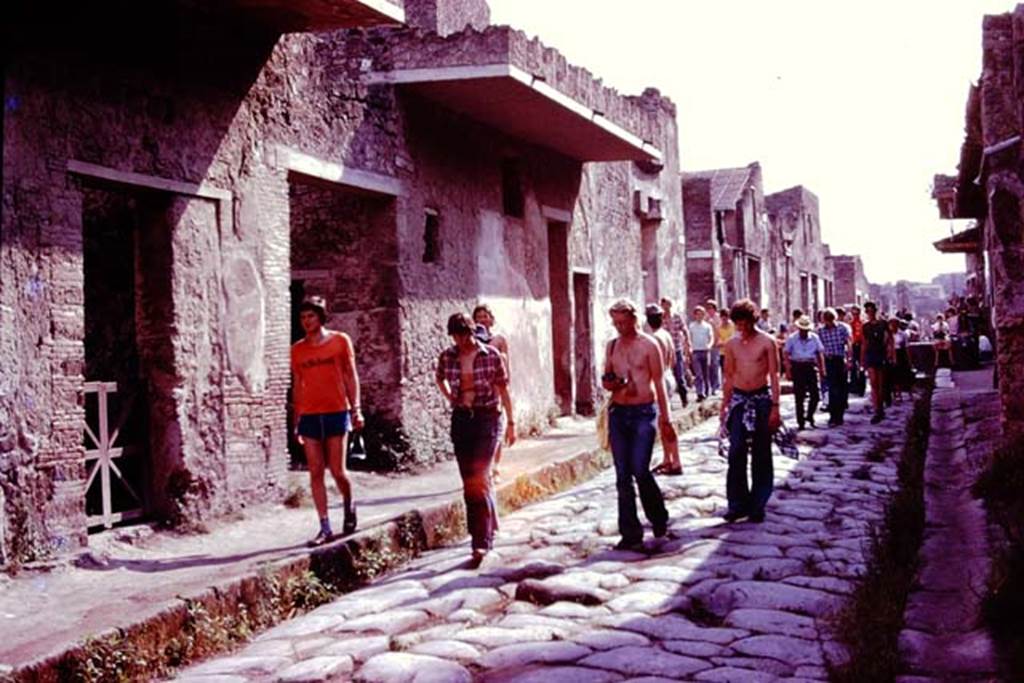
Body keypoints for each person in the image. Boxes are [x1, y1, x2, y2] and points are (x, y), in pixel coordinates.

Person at [436, 312, 516, 567]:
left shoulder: (490, 355)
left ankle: (481, 541)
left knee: (479, 478)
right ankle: (481, 530)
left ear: (472, 332)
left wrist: (511, 423)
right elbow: (439, 377)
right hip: (462, 419)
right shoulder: (448, 356)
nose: (460, 341)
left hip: (487, 418)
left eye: (464, 335)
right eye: (455, 336)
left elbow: (503, 389)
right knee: (468, 480)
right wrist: (450, 397)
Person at [291, 296, 363, 547]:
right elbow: (298, 384)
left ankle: (349, 503)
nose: (306, 321)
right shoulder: (297, 350)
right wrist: (296, 418)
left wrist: (356, 409)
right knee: (315, 472)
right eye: (302, 317)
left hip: (337, 412)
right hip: (310, 415)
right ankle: (325, 527)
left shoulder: (340, 341)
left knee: (338, 471)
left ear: (321, 317)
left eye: (311, 316)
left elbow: (351, 375)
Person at [602, 299, 672, 550]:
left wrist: (666, 419)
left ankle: (658, 517)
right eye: (616, 323)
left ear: (634, 319)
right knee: (622, 475)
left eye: (623, 322)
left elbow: (660, 382)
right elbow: (606, 378)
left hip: (644, 412)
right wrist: (612, 382)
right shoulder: (612, 346)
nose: (619, 327)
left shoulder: (649, 345)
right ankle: (630, 533)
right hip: (619, 413)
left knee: (640, 469)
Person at [720, 298, 782, 523]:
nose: (742, 327)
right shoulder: (731, 344)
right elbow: (729, 376)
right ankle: (737, 504)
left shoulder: (767, 342)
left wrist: (775, 407)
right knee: (736, 451)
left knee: (761, 452)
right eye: (738, 323)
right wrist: (724, 405)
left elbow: (774, 375)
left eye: (745, 322)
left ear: (753, 320)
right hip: (738, 401)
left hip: (761, 400)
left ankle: (758, 504)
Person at [473, 303, 510, 484]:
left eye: (485, 316)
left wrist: (506, 389)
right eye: (478, 317)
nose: (482, 319)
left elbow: (506, 365)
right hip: (478, 393)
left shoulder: (499, 340)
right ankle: (482, 469)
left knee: (497, 430)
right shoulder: (472, 342)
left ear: (492, 320)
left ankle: (495, 467)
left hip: (496, 390)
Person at [646, 304, 683, 475]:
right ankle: (668, 458)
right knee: (663, 421)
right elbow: (673, 360)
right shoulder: (666, 335)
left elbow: (655, 366)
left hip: (661, 379)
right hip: (669, 376)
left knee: (666, 421)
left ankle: (676, 461)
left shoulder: (654, 338)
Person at [783, 315, 826, 430]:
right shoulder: (792, 338)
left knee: (815, 395)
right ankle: (800, 422)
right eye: (802, 329)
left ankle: (810, 416)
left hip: (810, 366)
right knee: (799, 396)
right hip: (797, 366)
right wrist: (788, 370)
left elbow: (820, 353)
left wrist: (822, 369)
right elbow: (786, 353)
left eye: (806, 330)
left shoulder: (815, 338)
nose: (804, 332)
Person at [818, 308, 851, 427]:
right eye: (826, 320)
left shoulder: (842, 328)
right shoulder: (821, 331)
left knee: (842, 387)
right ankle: (833, 416)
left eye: (830, 320)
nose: (828, 322)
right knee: (832, 388)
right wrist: (821, 365)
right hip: (829, 361)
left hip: (840, 359)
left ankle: (839, 415)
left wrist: (849, 359)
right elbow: (820, 349)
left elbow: (848, 344)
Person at [660, 297, 691, 408]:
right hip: (664, 350)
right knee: (666, 377)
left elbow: (685, 330)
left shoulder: (677, 317)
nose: (666, 307)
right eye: (664, 305)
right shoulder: (660, 318)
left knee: (679, 375)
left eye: (667, 304)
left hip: (677, 349)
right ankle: (668, 402)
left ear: (670, 305)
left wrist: (688, 343)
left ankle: (684, 398)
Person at [860, 301, 888, 424]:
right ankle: (877, 410)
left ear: (875, 311)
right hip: (870, 354)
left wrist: (890, 354)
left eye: (871, 311)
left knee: (881, 384)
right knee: (873, 383)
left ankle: (881, 408)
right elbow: (864, 343)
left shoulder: (883, 324)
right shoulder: (865, 327)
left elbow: (888, 340)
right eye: (867, 311)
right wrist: (862, 359)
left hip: (880, 353)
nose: (870, 313)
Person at [688, 306, 715, 402]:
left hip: (705, 351)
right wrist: (689, 347)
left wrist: (709, 345)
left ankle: (707, 391)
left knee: (705, 373)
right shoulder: (691, 326)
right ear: (695, 315)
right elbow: (689, 338)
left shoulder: (707, 326)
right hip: (695, 351)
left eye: (701, 314)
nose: (699, 316)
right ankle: (700, 393)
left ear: (704, 315)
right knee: (698, 374)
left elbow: (711, 337)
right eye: (697, 314)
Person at [848, 305, 865, 396]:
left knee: (862, 367)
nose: (855, 315)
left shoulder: (863, 323)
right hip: (853, 346)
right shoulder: (850, 324)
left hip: (861, 345)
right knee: (853, 367)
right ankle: (854, 386)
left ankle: (861, 387)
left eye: (856, 313)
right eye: (853, 313)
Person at [706, 301, 723, 393]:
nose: (709, 310)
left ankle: (716, 386)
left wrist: (713, 324)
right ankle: (709, 386)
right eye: (708, 308)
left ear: (714, 308)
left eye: (710, 308)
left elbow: (719, 331)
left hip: (716, 344)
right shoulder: (706, 317)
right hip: (707, 344)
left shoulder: (718, 318)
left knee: (715, 365)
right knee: (708, 366)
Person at [717, 308, 736, 376]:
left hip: (733, 353)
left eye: (726, 317)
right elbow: (718, 342)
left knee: (734, 372)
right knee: (724, 372)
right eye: (722, 317)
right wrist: (727, 342)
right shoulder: (718, 328)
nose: (724, 319)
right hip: (723, 353)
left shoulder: (734, 326)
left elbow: (735, 338)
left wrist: (724, 342)